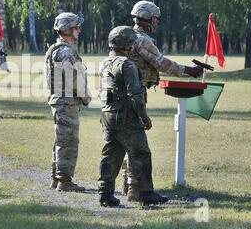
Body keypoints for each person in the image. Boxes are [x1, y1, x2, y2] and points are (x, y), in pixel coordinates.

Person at [120, 0, 204, 196]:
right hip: (135, 93)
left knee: (126, 140)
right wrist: (188, 71)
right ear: (147, 18)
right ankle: (136, 188)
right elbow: (161, 63)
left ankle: (128, 184)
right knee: (137, 141)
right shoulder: (142, 40)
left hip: (122, 94)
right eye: (155, 18)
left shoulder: (126, 36)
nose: (157, 22)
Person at [98, 26, 168, 207]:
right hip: (126, 116)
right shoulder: (127, 64)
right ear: (128, 44)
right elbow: (135, 95)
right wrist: (144, 117)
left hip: (108, 114)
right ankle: (146, 193)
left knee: (111, 154)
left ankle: (105, 193)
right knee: (141, 153)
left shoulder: (105, 62)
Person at [45, 12, 92, 192]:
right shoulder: (64, 51)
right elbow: (72, 76)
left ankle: (57, 178)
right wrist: (85, 96)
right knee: (68, 141)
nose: (79, 30)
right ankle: (64, 181)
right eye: (76, 27)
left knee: (61, 139)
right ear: (67, 30)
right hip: (66, 102)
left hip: (62, 101)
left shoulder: (59, 49)